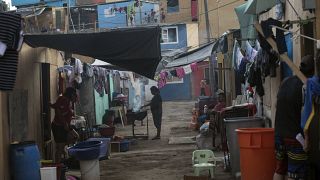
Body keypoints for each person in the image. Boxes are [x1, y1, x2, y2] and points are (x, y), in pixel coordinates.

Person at [273, 55, 314, 180]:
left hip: (279, 135)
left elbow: (276, 104)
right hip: (294, 138)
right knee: (294, 174)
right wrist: (306, 138)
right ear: (313, 72)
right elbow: (306, 115)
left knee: (280, 169)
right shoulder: (306, 87)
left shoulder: (285, 81)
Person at [50, 87, 78, 163]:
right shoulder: (63, 99)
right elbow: (58, 110)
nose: (75, 95)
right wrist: (64, 123)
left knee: (75, 136)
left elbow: (55, 106)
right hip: (59, 126)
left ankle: (61, 147)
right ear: (71, 94)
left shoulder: (68, 101)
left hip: (64, 126)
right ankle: (58, 167)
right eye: (74, 94)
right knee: (59, 149)